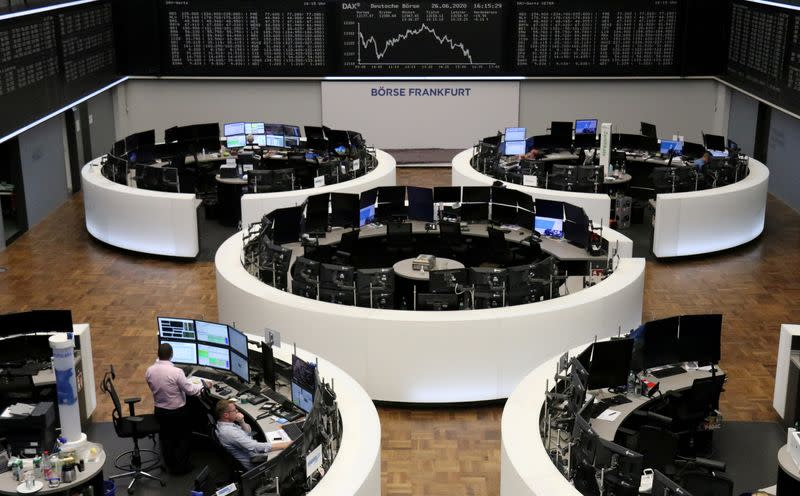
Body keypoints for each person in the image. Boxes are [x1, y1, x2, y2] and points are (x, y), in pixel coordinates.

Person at [145, 343, 210, 474]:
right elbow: (190, 390)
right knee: (183, 438)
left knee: (166, 438)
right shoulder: (176, 372)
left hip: (160, 411)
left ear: (158, 354)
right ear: (172, 355)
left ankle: (169, 464)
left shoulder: (149, 371)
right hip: (177, 412)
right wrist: (204, 386)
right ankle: (182, 467)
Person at [215, 399, 292, 470]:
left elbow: (248, 432)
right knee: (288, 453)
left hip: (252, 452)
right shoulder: (229, 432)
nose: (237, 412)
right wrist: (285, 444)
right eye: (234, 410)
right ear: (226, 415)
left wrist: (241, 421)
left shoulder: (225, 424)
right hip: (255, 461)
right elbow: (255, 447)